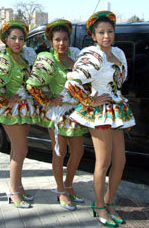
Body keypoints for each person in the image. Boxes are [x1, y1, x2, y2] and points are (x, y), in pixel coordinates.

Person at [65, 11, 136, 227]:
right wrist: (89, 101)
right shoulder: (92, 56)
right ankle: (98, 205)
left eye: (110, 31)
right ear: (93, 35)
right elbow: (72, 83)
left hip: (117, 111)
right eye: (101, 32)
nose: (107, 35)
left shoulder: (119, 53)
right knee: (103, 162)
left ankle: (109, 201)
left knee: (120, 161)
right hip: (100, 113)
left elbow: (121, 79)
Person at [26, 19, 87, 211]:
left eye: (65, 39)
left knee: (78, 152)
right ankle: (60, 190)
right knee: (60, 152)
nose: (62, 43)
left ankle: (69, 185)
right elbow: (32, 86)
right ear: (51, 41)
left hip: (75, 112)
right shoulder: (47, 59)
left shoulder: (75, 56)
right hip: (57, 114)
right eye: (57, 40)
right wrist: (48, 101)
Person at [0, 20, 38, 208]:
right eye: (13, 38)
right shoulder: (2, 59)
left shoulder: (24, 58)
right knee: (21, 150)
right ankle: (14, 192)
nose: (17, 41)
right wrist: (5, 101)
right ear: (5, 39)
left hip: (25, 109)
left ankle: (18, 186)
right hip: (12, 112)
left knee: (17, 150)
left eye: (21, 38)